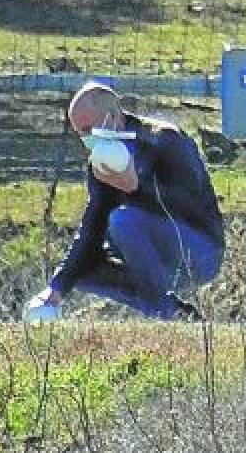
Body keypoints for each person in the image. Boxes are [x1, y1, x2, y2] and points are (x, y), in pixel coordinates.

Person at [24, 81, 225, 321]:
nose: (86, 140)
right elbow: (93, 226)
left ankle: (164, 311)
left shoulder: (165, 140)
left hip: (200, 250)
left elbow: (193, 206)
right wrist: (56, 288)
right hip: (148, 257)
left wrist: (137, 187)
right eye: (80, 133)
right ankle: (176, 313)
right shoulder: (100, 162)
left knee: (122, 221)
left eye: (88, 129)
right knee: (83, 270)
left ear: (111, 117)